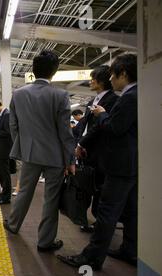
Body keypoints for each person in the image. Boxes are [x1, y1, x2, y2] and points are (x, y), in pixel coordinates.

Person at [58, 53, 138, 270]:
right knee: (130, 211)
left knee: (106, 212)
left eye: (113, 75)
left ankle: (92, 257)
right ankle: (130, 250)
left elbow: (114, 128)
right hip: (131, 164)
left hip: (119, 165)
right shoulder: (136, 95)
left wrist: (102, 115)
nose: (111, 79)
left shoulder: (129, 97)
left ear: (123, 74)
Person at [4, 50, 76, 252]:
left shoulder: (18, 94)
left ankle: (13, 225)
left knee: (23, 191)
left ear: (33, 71)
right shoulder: (60, 95)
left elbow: (13, 126)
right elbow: (65, 131)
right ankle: (45, 242)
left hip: (29, 153)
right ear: (54, 72)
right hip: (55, 156)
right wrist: (70, 159)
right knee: (50, 199)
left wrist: (23, 146)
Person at [75, 65, 119, 233]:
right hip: (87, 152)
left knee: (99, 187)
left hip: (100, 152)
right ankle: (87, 218)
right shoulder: (91, 101)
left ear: (102, 81)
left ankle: (99, 223)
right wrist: (79, 143)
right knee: (87, 185)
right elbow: (84, 125)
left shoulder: (113, 100)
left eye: (93, 78)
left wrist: (81, 143)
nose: (90, 81)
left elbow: (99, 128)